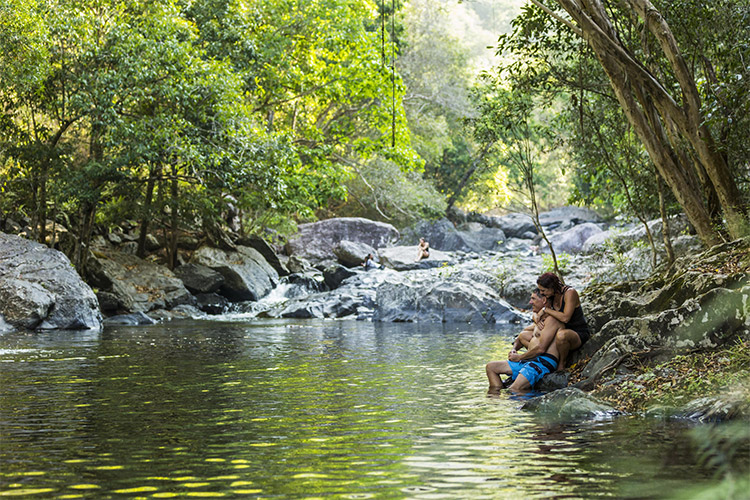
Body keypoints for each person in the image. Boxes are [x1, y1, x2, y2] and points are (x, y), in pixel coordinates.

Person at [485, 289, 563, 393]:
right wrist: (514, 350)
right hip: (530, 360)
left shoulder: (552, 320)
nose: (530, 302)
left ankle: (520, 403)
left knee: (513, 390)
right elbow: (522, 334)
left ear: (544, 300)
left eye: (533, 299)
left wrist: (519, 357)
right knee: (491, 367)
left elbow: (541, 349)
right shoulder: (540, 320)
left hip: (542, 362)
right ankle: (494, 401)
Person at [536, 272, 591, 371]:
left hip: (577, 333)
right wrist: (538, 320)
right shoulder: (550, 296)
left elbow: (566, 318)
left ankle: (562, 363)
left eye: (543, 290)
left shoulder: (570, 293)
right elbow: (537, 313)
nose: (541, 293)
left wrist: (545, 310)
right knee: (526, 335)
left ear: (552, 287)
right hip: (559, 330)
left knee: (561, 336)